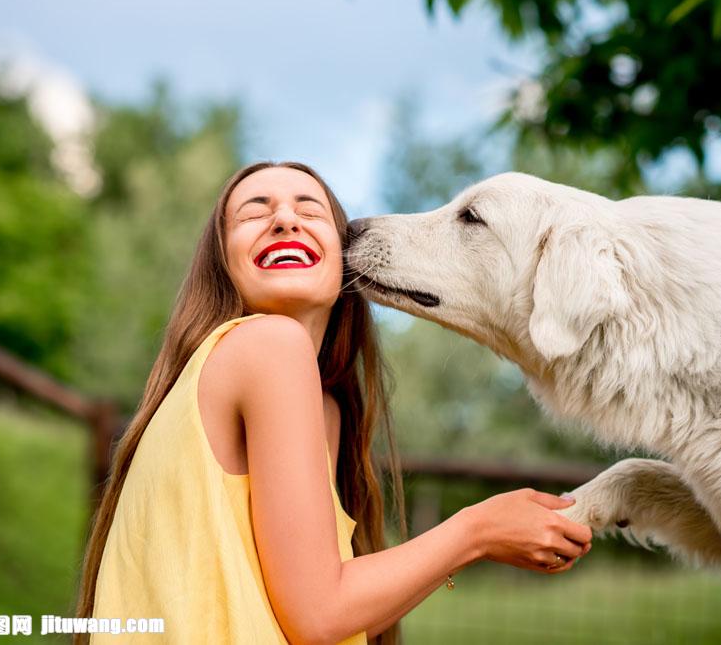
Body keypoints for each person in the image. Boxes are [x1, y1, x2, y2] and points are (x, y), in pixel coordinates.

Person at [74, 161, 593, 644]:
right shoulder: (267, 346)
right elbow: (319, 614)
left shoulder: (319, 407)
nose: (283, 219)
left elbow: (328, 612)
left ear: (345, 256)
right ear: (222, 266)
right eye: (254, 211)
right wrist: (477, 530)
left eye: (310, 210)